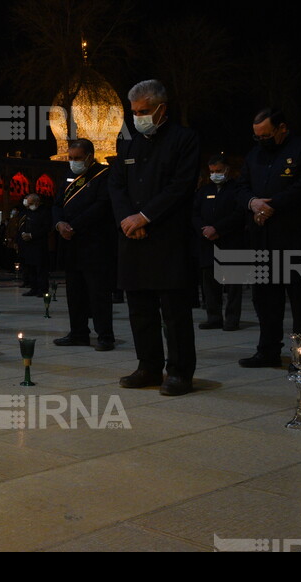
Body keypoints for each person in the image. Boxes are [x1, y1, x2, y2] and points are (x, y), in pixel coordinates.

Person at [108, 79, 199, 396]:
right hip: (132, 236)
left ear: (162, 108)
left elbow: (181, 186)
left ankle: (179, 372)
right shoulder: (128, 142)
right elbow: (116, 184)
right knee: (139, 309)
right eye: (134, 112)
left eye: (144, 111)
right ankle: (148, 366)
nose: (138, 117)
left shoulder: (184, 139)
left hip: (167, 237)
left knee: (174, 310)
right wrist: (126, 219)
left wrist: (145, 216)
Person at [236, 108, 301, 368]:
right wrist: (252, 203)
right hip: (262, 239)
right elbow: (240, 187)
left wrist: (272, 206)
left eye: (266, 135)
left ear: (282, 128)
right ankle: (267, 351)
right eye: (256, 136)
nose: (261, 141)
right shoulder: (255, 155)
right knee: (265, 300)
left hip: (298, 239)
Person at [52, 138, 116, 351]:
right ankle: (78, 332)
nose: (73, 162)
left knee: (98, 293)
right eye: (70, 158)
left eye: (77, 158)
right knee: (74, 292)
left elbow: (102, 206)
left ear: (90, 156)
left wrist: (74, 226)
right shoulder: (69, 176)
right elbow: (57, 203)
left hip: (94, 243)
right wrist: (59, 223)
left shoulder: (103, 175)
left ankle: (105, 335)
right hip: (71, 244)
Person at [192, 154, 245, 331]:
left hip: (231, 242)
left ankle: (232, 319)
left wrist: (218, 229)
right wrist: (204, 229)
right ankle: (213, 317)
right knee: (209, 284)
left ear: (227, 170)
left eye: (219, 171)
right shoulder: (204, 191)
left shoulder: (237, 189)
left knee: (233, 286)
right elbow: (195, 214)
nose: (215, 174)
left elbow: (239, 214)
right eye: (212, 171)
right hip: (208, 244)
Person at [17, 193, 50, 296]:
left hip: (39, 245)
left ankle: (42, 289)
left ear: (37, 202)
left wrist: (32, 235)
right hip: (28, 245)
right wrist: (23, 234)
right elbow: (22, 225)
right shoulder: (28, 212)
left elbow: (46, 228)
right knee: (30, 268)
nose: (29, 205)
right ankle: (33, 288)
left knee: (40, 268)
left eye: (31, 203)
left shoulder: (44, 212)